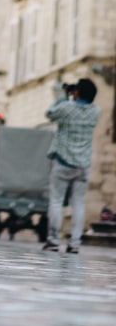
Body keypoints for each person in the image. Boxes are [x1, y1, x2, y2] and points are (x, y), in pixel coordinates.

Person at [43, 77, 101, 253]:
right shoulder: (96, 111)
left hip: (63, 160)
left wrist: (62, 96)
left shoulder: (66, 108)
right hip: (83, 164)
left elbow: (50, 114)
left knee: (56, 201)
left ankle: (53, 240)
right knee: (79, 204)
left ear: (77, 92)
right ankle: (74, 243)